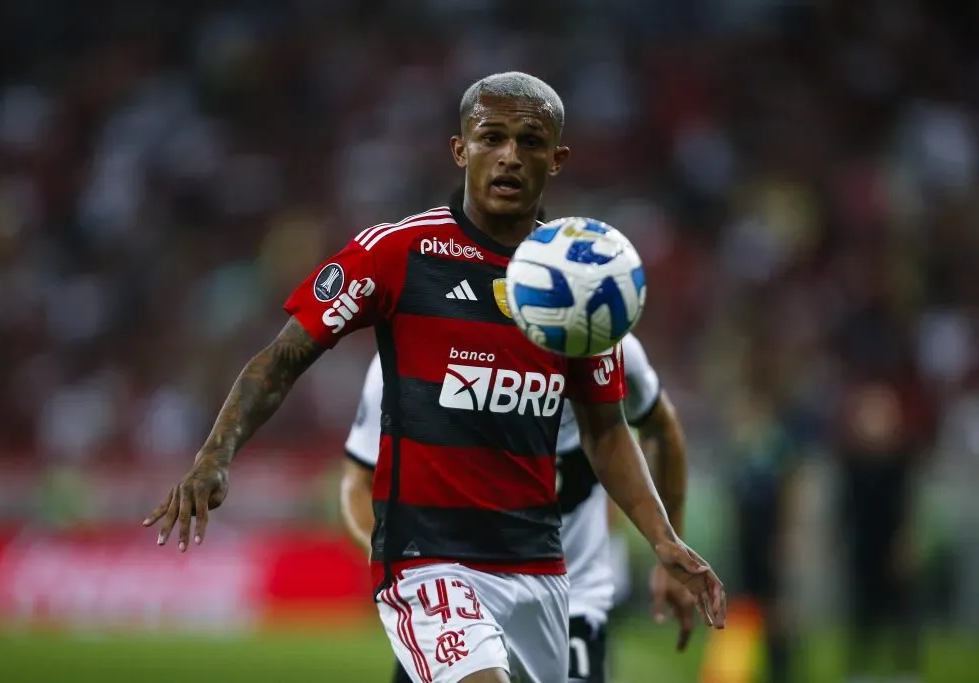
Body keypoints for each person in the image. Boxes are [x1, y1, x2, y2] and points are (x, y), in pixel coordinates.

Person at [143, 71, 725, 683]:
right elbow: (281, 359)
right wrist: (216, 452)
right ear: (460, 149)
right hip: (429, 562)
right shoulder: (398, 253)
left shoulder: (578, 283)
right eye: (491, 137)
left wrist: (663, 538)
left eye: (529, 142)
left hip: (539, 569)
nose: (508, 155)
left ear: (557, 159)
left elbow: (607, 431)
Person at [342, 334, 697, 683]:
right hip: (456, 591)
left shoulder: (607, 347)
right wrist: (399, 565)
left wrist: (670, 549)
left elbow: (662, 429)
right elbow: (357, 481)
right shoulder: (414, 347)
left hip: (571, 602)